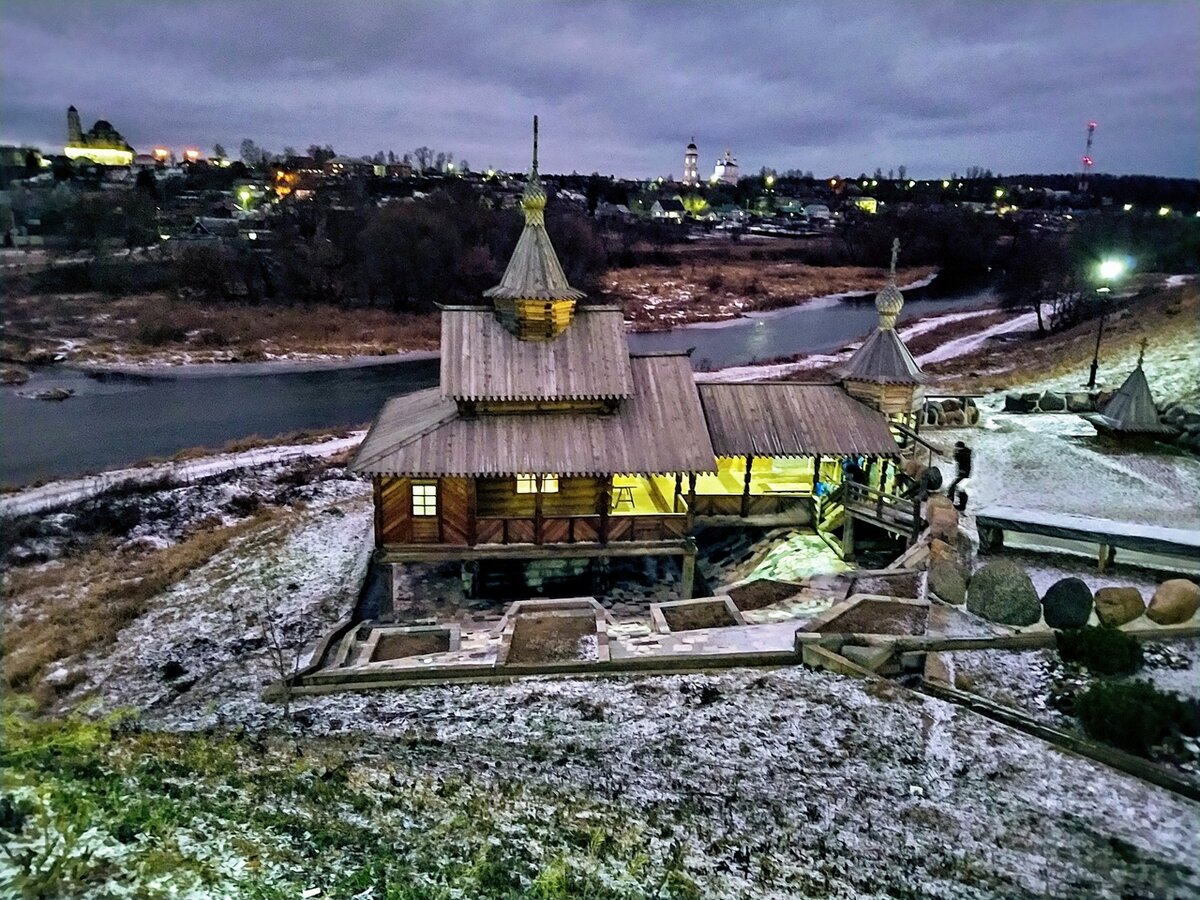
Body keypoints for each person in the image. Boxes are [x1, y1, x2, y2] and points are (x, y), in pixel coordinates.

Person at [947, 441, 973, 510]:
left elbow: (957, 459)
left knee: (953, 487)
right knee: (960, 489)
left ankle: (950, 502)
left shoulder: (963, 453)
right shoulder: (966, 452)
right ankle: (961, 505)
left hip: (963, 474)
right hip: (966, 474)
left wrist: (955, 453)